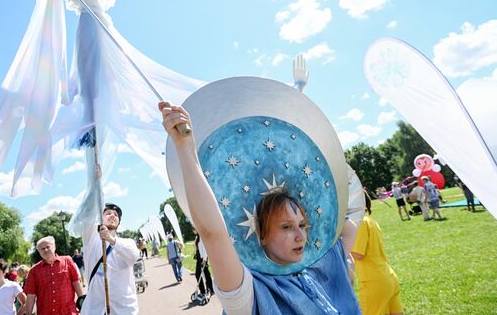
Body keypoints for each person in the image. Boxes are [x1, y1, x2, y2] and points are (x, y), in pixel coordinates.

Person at [160, 103, 360, 314]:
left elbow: (347, 226)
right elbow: (213, 234)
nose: (301, 235)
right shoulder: (251, 296)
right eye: (286, 226)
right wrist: (185, 148)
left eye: (302, 224)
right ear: (262, 234)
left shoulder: (322, 265)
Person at [80, 203, 141, 314]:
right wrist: (95, 187)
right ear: (100, 218)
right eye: (108, 213)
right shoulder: (90, 240)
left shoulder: (128, 243)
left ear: (119, 222)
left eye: (116, 215)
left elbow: (133, 256)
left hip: (124, 309)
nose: (112, 215)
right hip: (95, 310)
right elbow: (87, 214)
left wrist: (111, 239)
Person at [352, 192, 404, 315]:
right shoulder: (371, 221)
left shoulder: (361, 223)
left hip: (373, 282)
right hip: (387, 277)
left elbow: (358, 254)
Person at [24, 236, 84, 315]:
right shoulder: (34, 271)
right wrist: (28, 313)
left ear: (54, 246)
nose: (45, 250)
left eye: (48, 247)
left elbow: (76, 282)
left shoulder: (67, 261)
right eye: (42, 249)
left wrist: (83, 304)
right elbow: (31, 295)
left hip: (68, 312)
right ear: (39, 252)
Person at [193, 228, 214, 297]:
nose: (193, 231)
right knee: (200, 273)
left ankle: (209, 289)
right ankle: (204, 290)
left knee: (204, 274)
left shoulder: (201, 237)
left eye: (194, 229)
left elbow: (205, 249)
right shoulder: (198, 237)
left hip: (202, 258)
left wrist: (205, 259)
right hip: (199, 257)